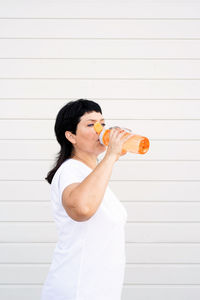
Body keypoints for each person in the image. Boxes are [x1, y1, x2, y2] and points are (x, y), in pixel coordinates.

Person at [41, 99, 130, 300]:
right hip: (77, 290)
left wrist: (110, 158)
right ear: (71, 136)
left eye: (103, 124)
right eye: (91, 125)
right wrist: (111, 156)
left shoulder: (93, 174)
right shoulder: (70, 170)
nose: (101, 131)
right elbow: (82, 209)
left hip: (99, 290)